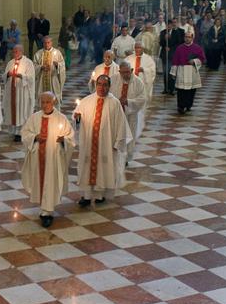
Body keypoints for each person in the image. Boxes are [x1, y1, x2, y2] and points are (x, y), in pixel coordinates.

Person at [74, 75, 132, 206]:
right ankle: (86, 196)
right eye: (99, 84)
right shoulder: (87, 101)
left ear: (109, 86)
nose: (102, 87)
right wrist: (77, 118)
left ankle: (100, 195)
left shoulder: (114, 103)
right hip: (89, 143)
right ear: (96, 85)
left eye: (105, 85)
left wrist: (118, 142)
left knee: (103, 169)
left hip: (106, 144)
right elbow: (77, 118)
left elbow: (121, 125)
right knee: (87, 168)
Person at [20, 92, 75, 227]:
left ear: (54, 102)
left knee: (50, 183)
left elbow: (70, 138)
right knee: (40, 183)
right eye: (42, 102)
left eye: (48, 102)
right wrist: (34, 137)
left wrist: (64, 140)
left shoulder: (61, 118)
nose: (45, 105)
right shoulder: (34, 117)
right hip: (37, 159)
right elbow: (25, 133)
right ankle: (44, 209)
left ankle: (47, 212)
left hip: (52, 160)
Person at [111, 61, 147, 162]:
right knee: (116, 135)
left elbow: (142, 99)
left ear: (131, 70)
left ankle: (126, 158)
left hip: (130, 115)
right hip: (116, 114)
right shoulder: (113, 79)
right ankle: (115, 155)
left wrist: (128, 101)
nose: (125, 75)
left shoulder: (138, 82)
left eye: (127, 72)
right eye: (123, 72)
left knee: (129, 136)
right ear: (119, 72)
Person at [3, 45, 35, 142]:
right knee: (13, 111)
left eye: (16, 51)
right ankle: (14, 131)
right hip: (12, 92)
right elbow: (4, 76)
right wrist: (7, 75)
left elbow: (31, 78)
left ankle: (21, 132)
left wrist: (22, 76)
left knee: (21, 112)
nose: (14, 53)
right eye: (13, 52)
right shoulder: (10, 63)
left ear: (22, 52)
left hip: (22, 93)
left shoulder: (28, 63)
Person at [172, 32, 206, 114]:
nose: (187, 38)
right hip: (182, 70)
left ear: (192, 38)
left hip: (192, 71)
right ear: (184, 38)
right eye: (186, 37)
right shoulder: (179, 48)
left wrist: (194, 61)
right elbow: (175, 60)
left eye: (189, 37)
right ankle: (180, 106)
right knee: (181, 90)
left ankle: (188, 105)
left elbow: (202, 59)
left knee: (191, 90)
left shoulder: (197, 48)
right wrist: (173, 73)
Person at [33, 36, 66, 107]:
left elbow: (62, 65)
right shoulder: (38, 54)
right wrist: (41, 67)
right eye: (45, 43)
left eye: (48, 42)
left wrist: (57, 65)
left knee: (54, 100)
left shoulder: (57, 53)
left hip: (53, 80)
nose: (47, 44)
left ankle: (54, 112)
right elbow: (34, 66)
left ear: (51, 43)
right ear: (43, 43)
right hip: (41, 81)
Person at [159, 19, 185, 94]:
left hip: (172, 55)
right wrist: (165, 39)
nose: (169, 26)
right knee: (165, 72)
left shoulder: (176, 32)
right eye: (167, 25)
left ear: (172, 25)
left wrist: (171, 48)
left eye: (170, 25)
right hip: (165, 55)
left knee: (171, 72)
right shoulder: (163, 32)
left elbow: (178, 43)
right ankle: (166, 88)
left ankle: (172, 89)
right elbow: (161, 43)